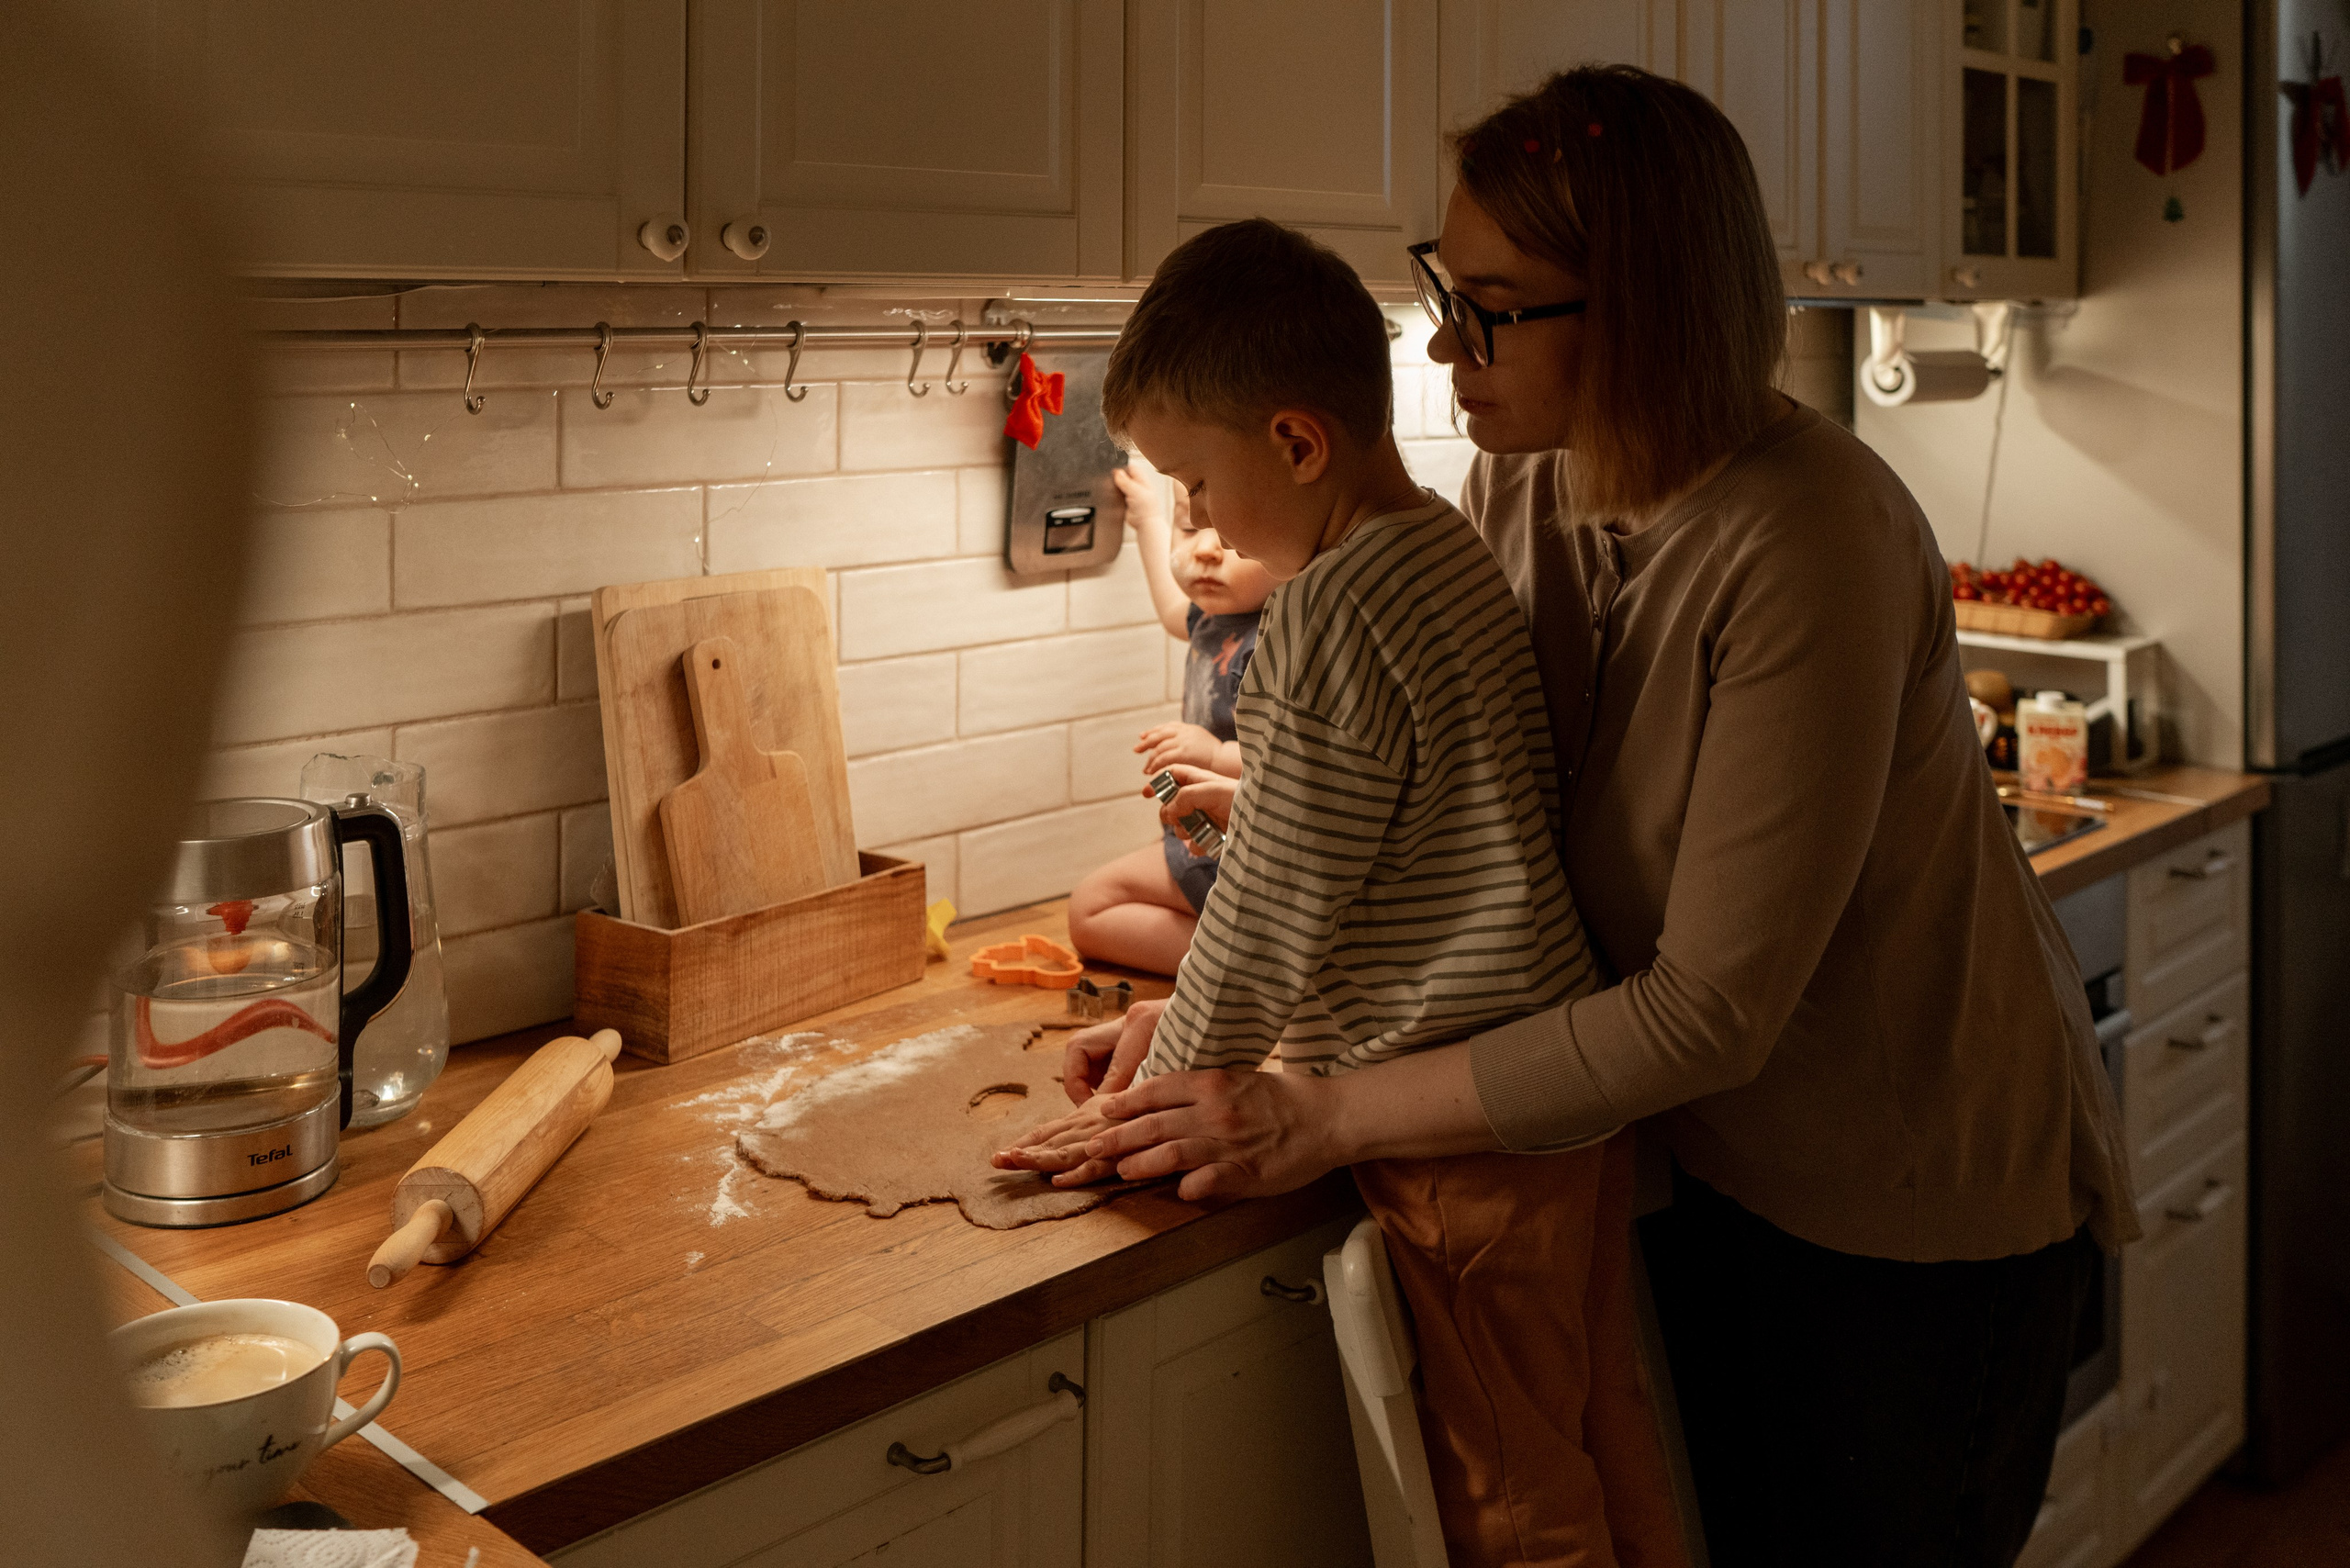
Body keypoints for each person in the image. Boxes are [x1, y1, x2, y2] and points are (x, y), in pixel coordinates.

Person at [1017, 65, 2133, 1568]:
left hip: (1903, 1220)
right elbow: (1459, 793)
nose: (1437, 338)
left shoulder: (1811, 541)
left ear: (1644, 309)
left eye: (1486, 303)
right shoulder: (1530, 479)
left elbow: (1704, 1015)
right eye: (1441, 286)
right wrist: (1245, 1028)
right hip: (1692, 1164)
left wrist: (1320, 1105)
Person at [1001, 216, 1688, 1567]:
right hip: (1551, 1089)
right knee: (1602, 1428)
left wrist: (1157, 1100)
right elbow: (1388, 830)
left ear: (1297, 445)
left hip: (1454, 1132)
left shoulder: (1318, 618)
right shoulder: (1443, 549)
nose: (1190, 523)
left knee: (1514, 1493)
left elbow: (1270, 906)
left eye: (1195, 485)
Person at [1063, 463, 1270, 975]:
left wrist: (1218, 755)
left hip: (1255, 857)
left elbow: (1299, 761)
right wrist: (1151, 519)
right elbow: (1169, 606)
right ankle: (1247, 965)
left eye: (1228, 533)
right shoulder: (1213, 617)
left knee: (1090, 909)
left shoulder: (1278, 642)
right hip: (1205, 840)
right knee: (1090, 907)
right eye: (1191, 525)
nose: (1204, 549)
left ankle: (1251, 973)